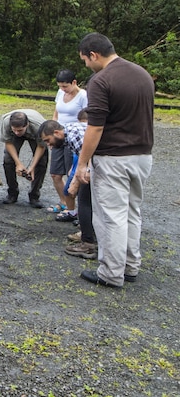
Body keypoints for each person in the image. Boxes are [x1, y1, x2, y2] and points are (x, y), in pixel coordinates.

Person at [74, 32, 154, 288]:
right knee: (132, 212)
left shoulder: (101, 80)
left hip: (113, 158)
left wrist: (82, 163)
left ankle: (110, 272)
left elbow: (95, 127)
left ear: (93, 55)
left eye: (86, 60)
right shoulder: (142, 74)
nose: (87, 65)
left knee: (111, 216)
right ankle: (130, 266)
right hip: (142, 156)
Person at [38, 117, 97, 259]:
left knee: (84, 201)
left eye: (48, 140)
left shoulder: (74, 135)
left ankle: (88, 243)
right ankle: (90, 234)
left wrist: (79, 179)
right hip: (99, 162)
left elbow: (91, 154)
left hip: (100, 163)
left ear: (57, 133)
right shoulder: (69, 131)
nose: (49, 146)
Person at [47, 69, 88, 213]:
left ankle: (74, 207)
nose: (62, 89)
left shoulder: (83, 96)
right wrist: (51, 134)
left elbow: (86, 118)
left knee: (72, 173)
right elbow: (56, 112)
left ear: (74, 82)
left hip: (73, 139)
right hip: (58, 137)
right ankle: (64, 202)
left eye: (65, 86)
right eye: (60, 86)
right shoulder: (60, 93)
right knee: (55, 173)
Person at [0, 109, 48, 207]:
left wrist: (32, 167)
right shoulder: (6, 122)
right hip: (16, 135)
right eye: (15, 130)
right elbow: (8, 143)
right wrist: (18, 163)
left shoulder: (39, 126)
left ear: (27, 125)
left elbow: (41, 146)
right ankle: (12, 193)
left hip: (35, 134)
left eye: (20, 130)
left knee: (41, 162)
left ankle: (34, 195)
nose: (17, 133)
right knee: (8, 160)